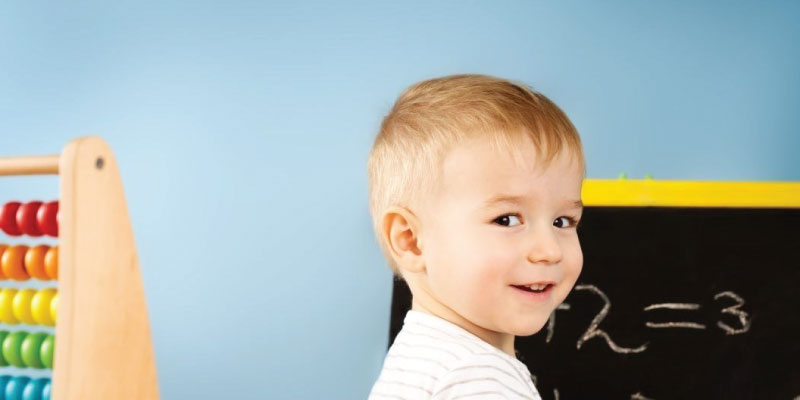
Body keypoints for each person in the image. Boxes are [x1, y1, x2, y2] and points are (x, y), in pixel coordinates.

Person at [366, 74, 586, 399]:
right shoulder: (476, 377)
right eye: (507, 219)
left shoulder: (424, 359)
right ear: (411, 239)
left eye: (563, 221)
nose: (549, 250)